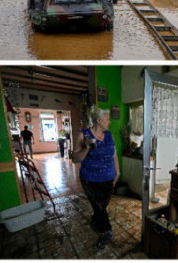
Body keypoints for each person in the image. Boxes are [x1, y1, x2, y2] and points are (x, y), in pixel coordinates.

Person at [71, 106, 119, 250]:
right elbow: (74, 159)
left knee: (101, 206)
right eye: (107, 119)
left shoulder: (109, 135)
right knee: (99, 207)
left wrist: (117, 173)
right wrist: (86, 148)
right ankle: (107, 231)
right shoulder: (83, 135)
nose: (109, 122)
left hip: (109, 178)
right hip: (90, 179)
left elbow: (114, 155)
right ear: (99, 120)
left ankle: (94, 220)